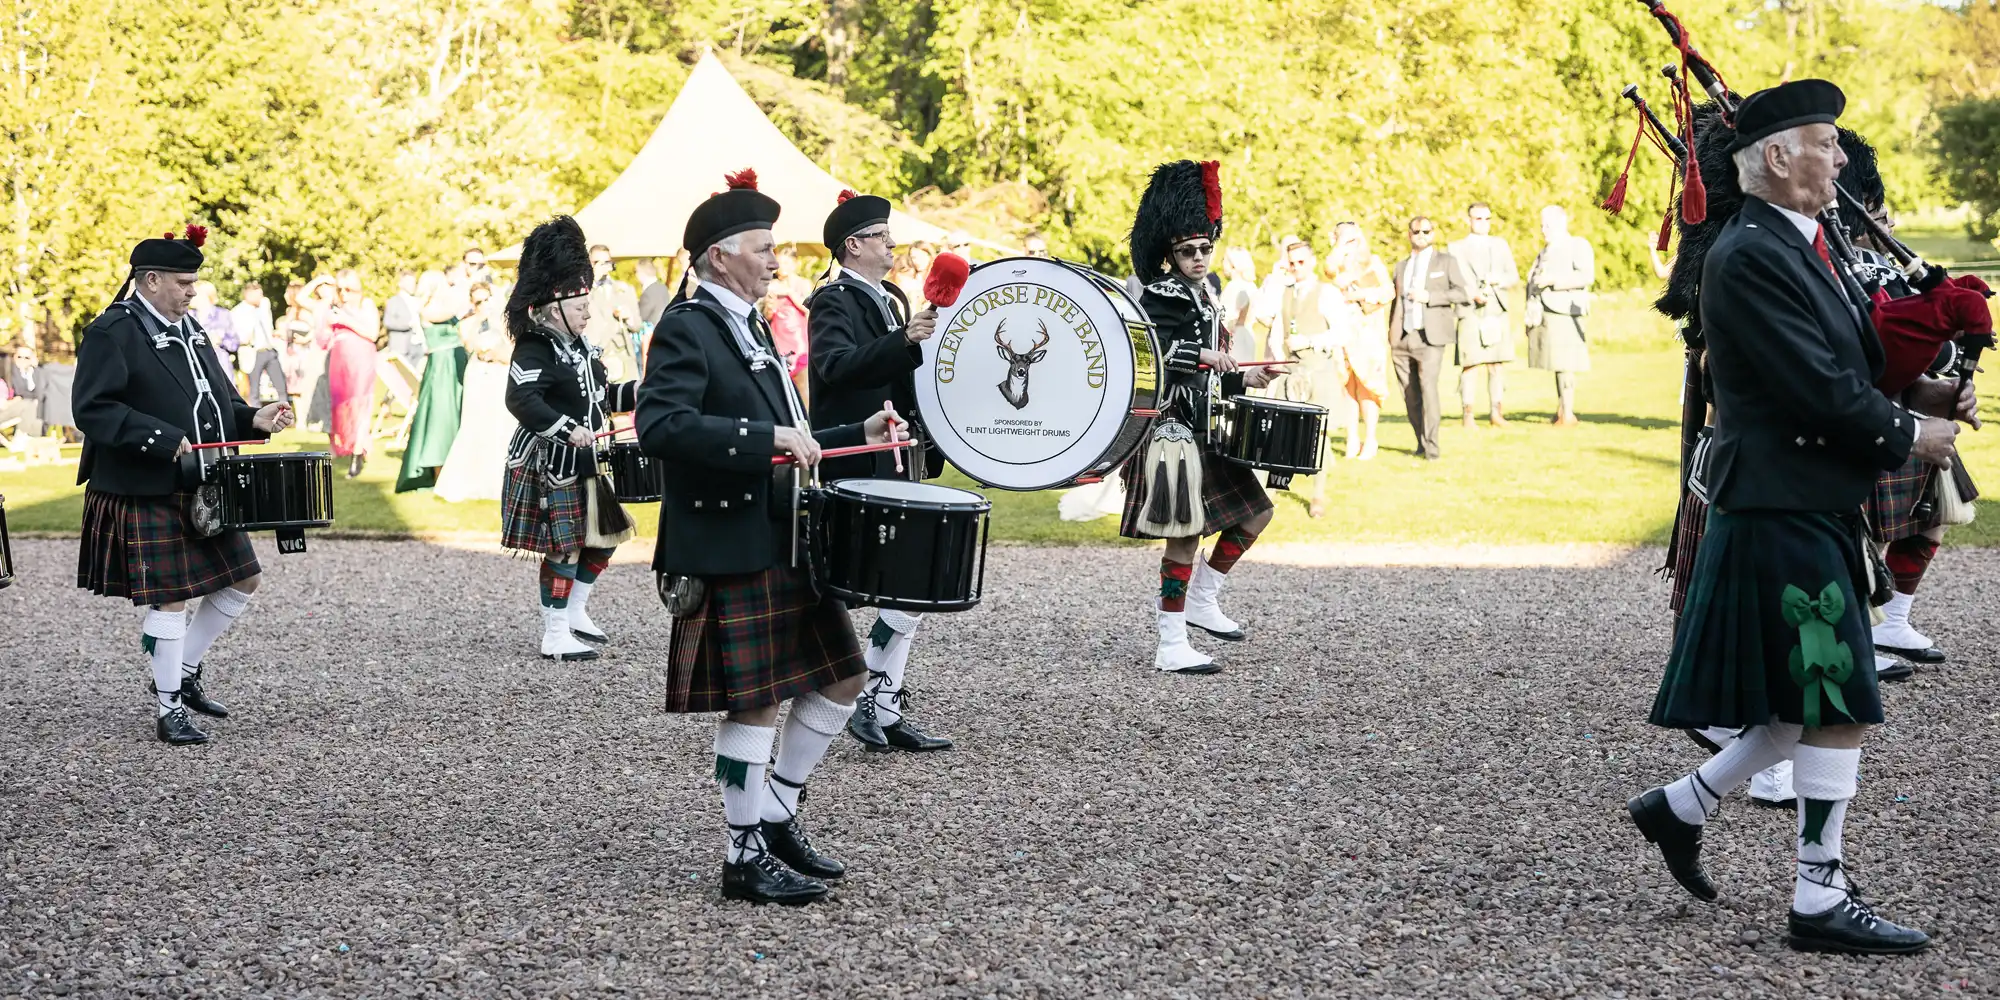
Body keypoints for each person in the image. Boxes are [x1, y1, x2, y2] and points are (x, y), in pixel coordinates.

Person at [1628, 79, 1972, 955]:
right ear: (1777, 158)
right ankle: (1818, 894)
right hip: (1779, 500)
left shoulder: (1807, 242)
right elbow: (1810, 389)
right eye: (1826, 142)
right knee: (1837, 697)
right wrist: (1910, 434)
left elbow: (1846, 362)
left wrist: (1925, 389)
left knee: (1804, 697)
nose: (1841, 157)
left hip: (1807, 498)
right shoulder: (1747, 256)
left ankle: (1681, 806)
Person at [636, 169, 908, 905]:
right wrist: (765, 438)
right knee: (754, 702)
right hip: (728, 540)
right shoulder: (688, 326)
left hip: (782, 533)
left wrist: (858, 430)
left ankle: (778, 810)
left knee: (845, 675)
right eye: (763, 249)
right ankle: (742, 853)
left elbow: (793, 432)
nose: (777, 260)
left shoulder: (751, 324)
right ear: (719, 256)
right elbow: (660, 427)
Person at [71, 227, 296, 745]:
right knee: (170, 598)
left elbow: (217, 401)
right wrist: (159, 438)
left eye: (193, 283)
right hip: (145, 483)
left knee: (244, 580)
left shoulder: (191, 330)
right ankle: (168, 707)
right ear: (150, 281)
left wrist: (254, 418)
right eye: (184, 282)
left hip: (203, 481)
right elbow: (92, 409)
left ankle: (185, 672)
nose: (193, 292)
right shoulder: (112, 331)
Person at [1119, 160, 1284, 674]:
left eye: (1204, 248)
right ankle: (1170, 643)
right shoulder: (1162, 294)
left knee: (1257, 513)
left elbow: (1213, 363)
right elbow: (1155, 354)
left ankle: (1202, 598)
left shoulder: (1206, 292)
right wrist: (1204, 356)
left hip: (1204, 425)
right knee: (1184, 534)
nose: (1197, 257)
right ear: (1170, 252)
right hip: (1171, 430)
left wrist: (1246, 378)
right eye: (1187, 250)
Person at [807, 188, 952, 754]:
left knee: (908, 586)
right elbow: (833, 368)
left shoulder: (890, 296)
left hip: (896, 455)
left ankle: (880, 705)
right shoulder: (832, 301)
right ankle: (852, 699)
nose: (892, 242)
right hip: (858, 458)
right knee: (853, 590)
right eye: (881, 235)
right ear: (854, 244)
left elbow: (901, 371)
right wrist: (903, 338)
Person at [499, 218, 637, 661]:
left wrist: (643, 393)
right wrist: (566, 428)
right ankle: (554, 631)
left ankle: (575, 612)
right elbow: (520, 398)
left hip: (583, 459)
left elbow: (601, 397)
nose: (588, 313)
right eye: (581, 307)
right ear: (555, 305)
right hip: (550, 461)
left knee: (605, 537)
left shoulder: (578, 345)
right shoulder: (535, 345)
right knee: (567, 547)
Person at [1271, 236, 1349, 517]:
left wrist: (1310, 340)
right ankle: (1274, 489)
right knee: (1281, 431)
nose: (1296, 267)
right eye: (1292, 263)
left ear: (1313, 262)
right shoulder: (1283, 292)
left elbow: (1342, 332)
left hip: (1319, 369)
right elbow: (1273, 328)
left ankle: (1318, 495)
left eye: (1301, 262)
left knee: (1320, 434)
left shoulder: (1327, 293)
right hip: (1291, 371)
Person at [1387, 216, 1473, 461]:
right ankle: (1420, 443)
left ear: (1433, 233)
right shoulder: (1401, 266)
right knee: (1409, 394)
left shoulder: (1445, 262)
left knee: (1428, 390)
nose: (1421, 235)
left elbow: (1461, 293)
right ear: (1409, 234)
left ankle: (1432, 448)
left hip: (1430, 337)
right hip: (1402, 337)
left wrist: (1429, 296)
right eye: (1416, 231)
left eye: (1426, 231)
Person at [434, 282, 515, 504]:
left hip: (499, 371)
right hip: (478, 373)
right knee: (475, 422)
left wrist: (498, 351)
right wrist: (479, 318)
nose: (484, 304)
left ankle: (501, 480)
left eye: (487, 299)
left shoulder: (504, 321)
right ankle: (471, 479)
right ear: (473, 303)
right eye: (479, 301)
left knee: (501, 422)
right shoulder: (468, 323)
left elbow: (513, 348)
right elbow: (468, 345)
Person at [396, 269, 471, 491]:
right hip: (441, 368)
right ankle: (439, 473)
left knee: (457, 415)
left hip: (456, 362)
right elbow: (449, 312)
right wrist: (464, 287)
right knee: (441, 419)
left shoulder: (445, 306)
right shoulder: (427, 309)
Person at [1327, 222, 1395, 461]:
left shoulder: (1372, 262)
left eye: (1353, 239)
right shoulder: (1336, 264)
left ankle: (1371, 438)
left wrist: (1361, 294)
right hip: (1344, 329)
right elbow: (1329, 271)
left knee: (1368, 385)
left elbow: (1389, 292)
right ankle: (1352, 436)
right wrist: (1340, 246)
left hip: (1368, 330)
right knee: (1348, 385)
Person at [1448, 202, 1520, 428]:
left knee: (1497, 364)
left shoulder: (1500, 245)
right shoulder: (1455, 248)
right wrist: (1472, 294)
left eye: (1487, 219)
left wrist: (1498, 280)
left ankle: (1496, 412)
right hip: (1470, 311)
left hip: (1496, 310)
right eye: (1478, 219)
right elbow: (1453, 282)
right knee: (1470, 364)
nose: (1483, 223)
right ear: (1469, 220)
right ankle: (1468, 413)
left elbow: (1513, 276)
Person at [1526, 205, 1597, 426]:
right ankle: (1562, 410)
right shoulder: (1544, 251)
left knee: (1566, 364)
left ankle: (1568, 413)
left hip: (1566, 312)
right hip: (1545, 314)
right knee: (1557, 364)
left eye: (1548, 225)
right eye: (1541, 225)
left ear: (1561, 223)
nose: (1543, 230)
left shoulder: (1577, 245)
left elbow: (1586, 276)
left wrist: (1553, 280)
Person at [318, 271, 379, 478]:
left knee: (361, 405)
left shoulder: (366, 305)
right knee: (342, 408)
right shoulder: (335, 308)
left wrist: (346, 320)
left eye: (348, 289)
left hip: (361, 359)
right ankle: (350, 445)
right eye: (340, 289)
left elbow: (373, 333)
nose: (344, 294)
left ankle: (357, 454)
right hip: (339, 360)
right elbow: (323, 338)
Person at [584, 244, 642, 383]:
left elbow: (637, 326)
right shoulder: (582, 292)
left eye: (606, 262)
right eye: (597, 262)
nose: (602, 266)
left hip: (622, 355)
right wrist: (592, 279)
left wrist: (629, 318)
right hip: (593, 356)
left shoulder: (624, 289)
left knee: (628, 400)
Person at [763, 245, 812, 398]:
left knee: (803, 385)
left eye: (785, 263)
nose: (780, 268)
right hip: (779, 336)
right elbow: (766, 315)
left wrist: (789, 293)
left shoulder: (803, 284)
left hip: (799, 338)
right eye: (779, 264)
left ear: (794, 263)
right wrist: (770, 307)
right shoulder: (771, 284)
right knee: (782, 385)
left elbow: (809, 309)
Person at [231, 283, 285, 406]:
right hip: (252, 352)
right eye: (258, 295)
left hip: (269, 349)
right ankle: (256, 415)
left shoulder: (264, 306)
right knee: (254, 389)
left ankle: (285, 413)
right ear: (248, 295)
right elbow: (237, 336)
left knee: (281, 385)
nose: (261, 297)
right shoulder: (237, 312)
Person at [1218, 247, 1261, 366]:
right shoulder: (1251, 285)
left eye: (1224, 260)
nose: (1222, 263)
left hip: (1235, 337)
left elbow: (1229, 317)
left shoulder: (1234, 287)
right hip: (1247, 335)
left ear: (1233, 265)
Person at [381, 270, 424, 371]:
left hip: (418, 345)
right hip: (401, 346)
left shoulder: (417, 301)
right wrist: (407, 324)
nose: (412, 285)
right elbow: (388, 322)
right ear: (401, 283)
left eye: (414, 282)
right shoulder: (394, 301)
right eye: (409, 282)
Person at [637, 258, 671, 330]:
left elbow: (639, 317)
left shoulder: (649, 292)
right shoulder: (663, 287)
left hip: (650, 334)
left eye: (636, 272)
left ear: (642, 272)